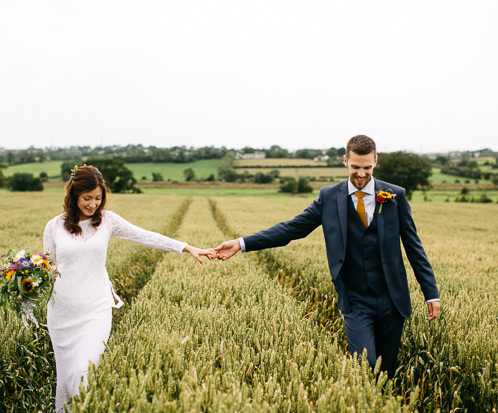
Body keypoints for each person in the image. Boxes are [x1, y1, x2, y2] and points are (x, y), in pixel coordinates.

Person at [214, 135, 440, 378]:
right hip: (355, 300)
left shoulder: (395, 196)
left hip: (392, 300)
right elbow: (291, 229)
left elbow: (414, 247)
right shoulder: (329, 197)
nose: (361, 174)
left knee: (386, 372)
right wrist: (241, 243)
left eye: (367, 167)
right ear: (345, 161)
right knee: (365, 367)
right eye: (355, 167)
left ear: (376, 161)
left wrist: (431, 293)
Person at [43, 165, 216, 412]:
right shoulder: (54, 226)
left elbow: (145, 236)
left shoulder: (108, 221)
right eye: (87, 198)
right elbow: (48, 267)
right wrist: (24, 281)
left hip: (96, 309)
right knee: (68, 377)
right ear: (73, 196)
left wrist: (186, 247)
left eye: (98, 198)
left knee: (84, 372)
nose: (93, 204)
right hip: (61, 314)